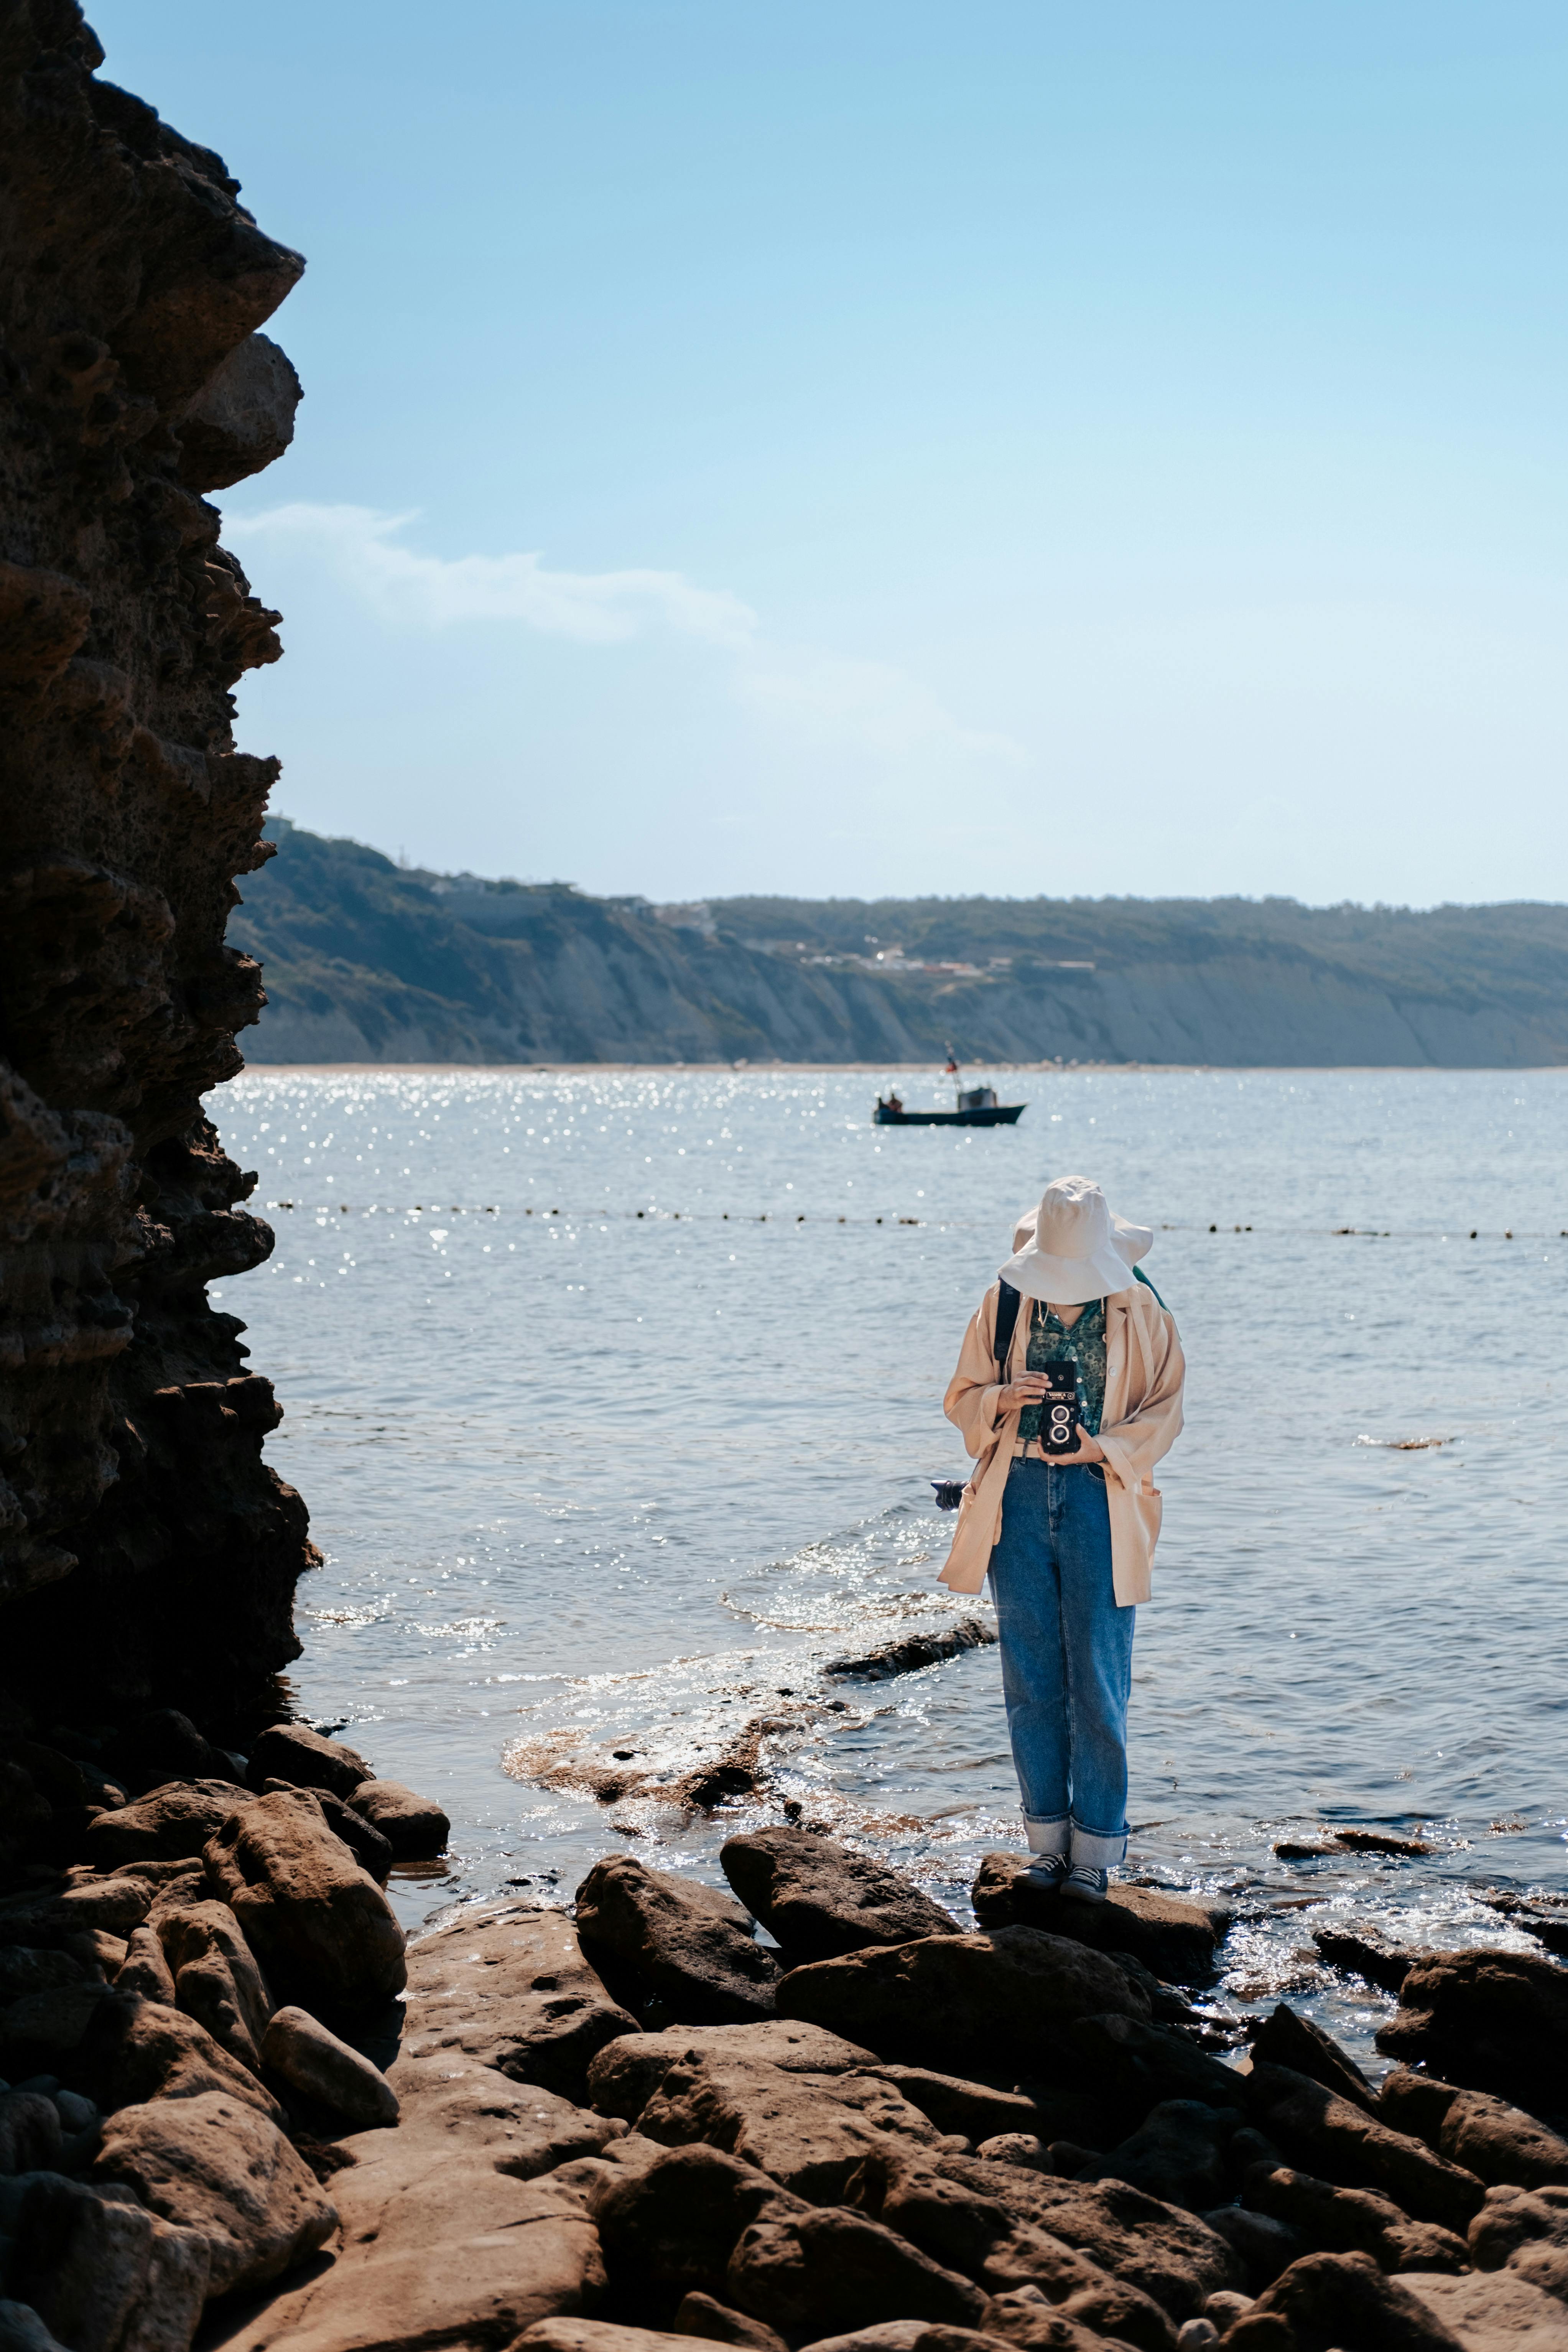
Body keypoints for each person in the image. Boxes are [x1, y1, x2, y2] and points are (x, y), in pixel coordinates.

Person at [938, 1174, 1184, 1900]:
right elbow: (960, 1400)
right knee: (1030, 1680)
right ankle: (1047, 1845)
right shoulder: (1004, 1300)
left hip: (1098, 1498)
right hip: (1012, 1494)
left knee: (1100, 1684)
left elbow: (1166, 1412)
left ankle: (1096, 1856)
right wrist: (999, 1399)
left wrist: (1097, 1449)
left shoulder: (1140, 1308)